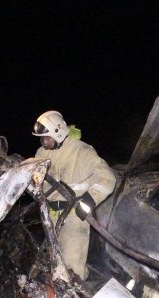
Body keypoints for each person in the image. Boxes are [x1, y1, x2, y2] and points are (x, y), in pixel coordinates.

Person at [32, 110, 116, 280]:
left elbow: (108, 178)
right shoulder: (41, 153)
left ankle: (79, 293)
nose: (44, 142)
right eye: (42, 139)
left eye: (47, 138)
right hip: (50, 218)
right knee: (54, 266)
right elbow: (37, 180)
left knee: (72, 270)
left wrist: (90, 199)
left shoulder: (82, 151)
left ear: (59, 132)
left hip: (74, 217)